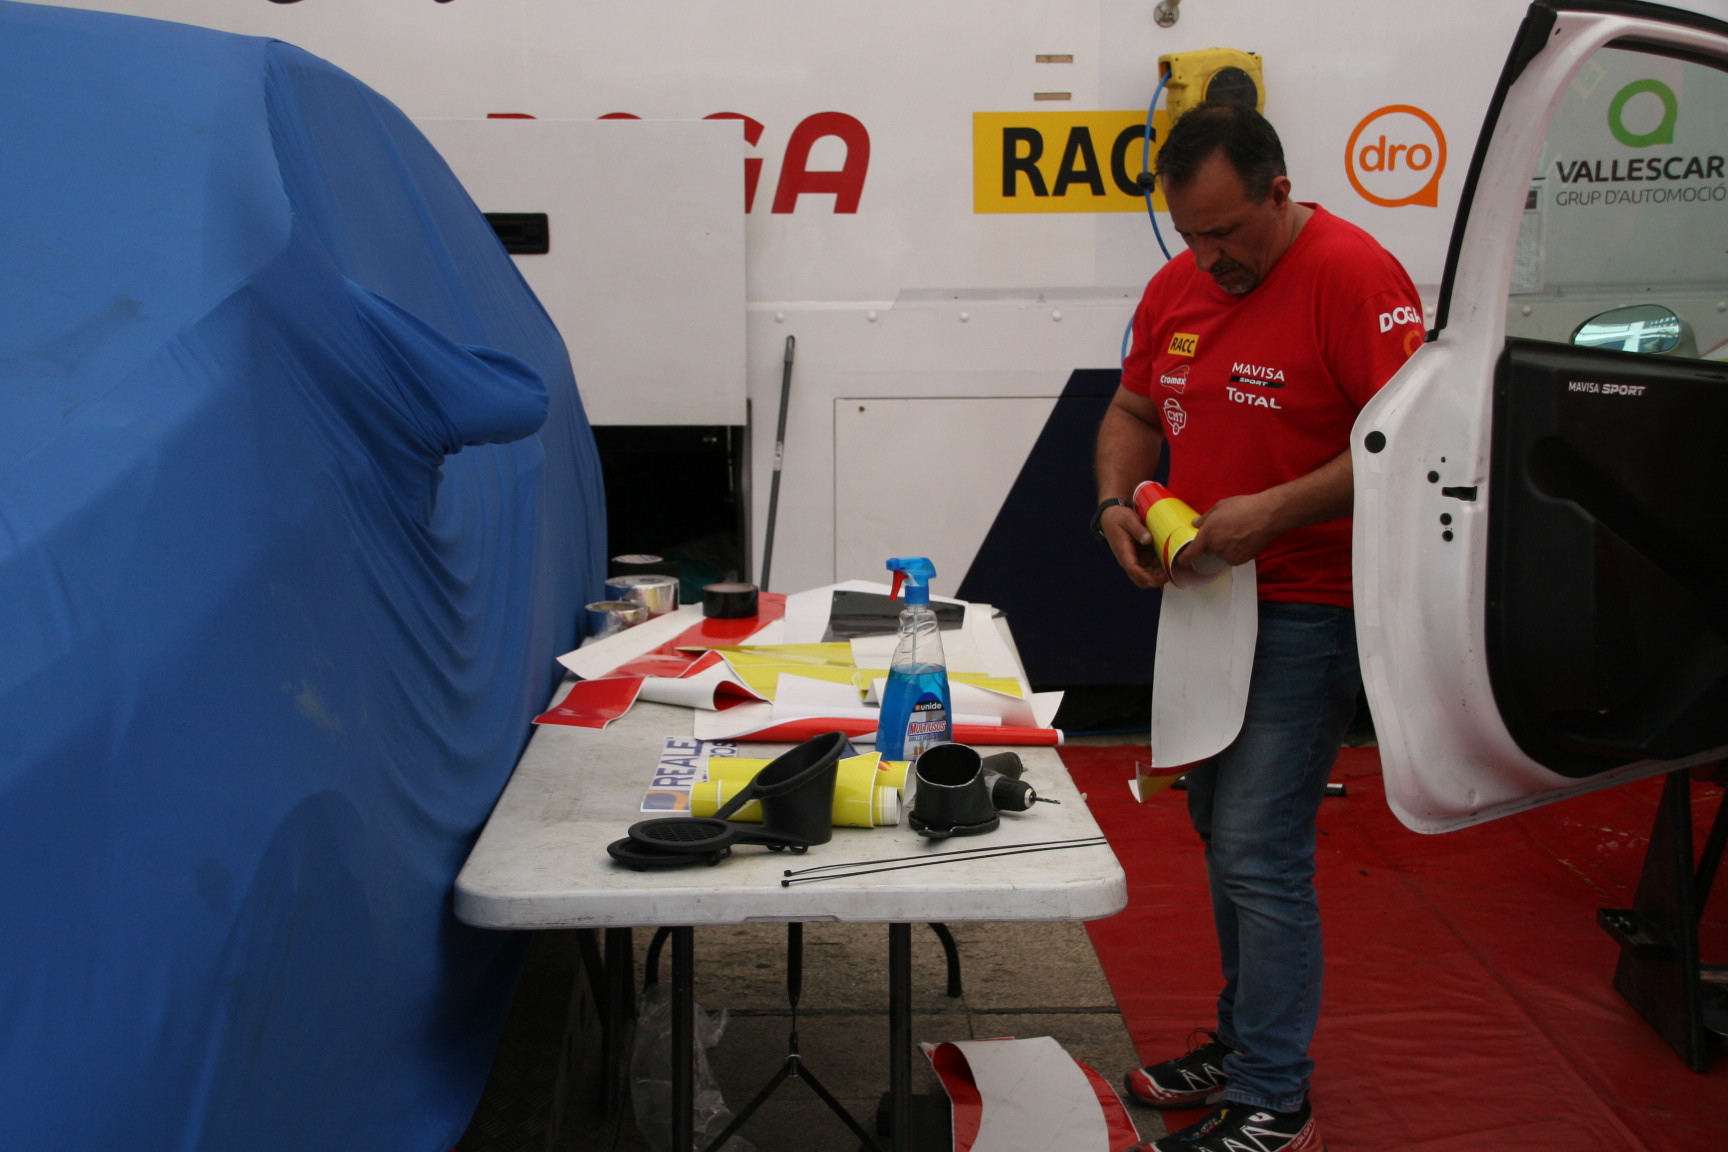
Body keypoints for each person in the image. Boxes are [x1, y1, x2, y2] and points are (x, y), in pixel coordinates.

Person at [1090, 102, 1424, 1152]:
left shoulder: (1353, 276)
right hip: (1208, 605)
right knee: (1216, 829)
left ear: (1279, 192)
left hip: (1311, 604)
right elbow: (1133, 411)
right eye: (1191, 234)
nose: (1208, 258)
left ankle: (1276, 1100)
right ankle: (1243, 1050)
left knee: (1257, 847)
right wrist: (1116, 503)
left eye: (1227, 232)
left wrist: (1275, 511)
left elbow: (1409, 442)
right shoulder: (1176, 285)